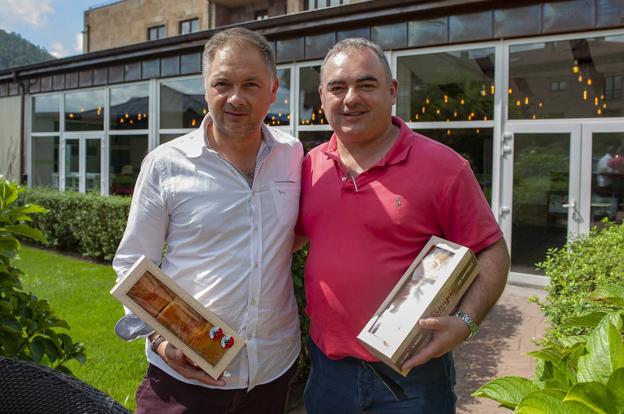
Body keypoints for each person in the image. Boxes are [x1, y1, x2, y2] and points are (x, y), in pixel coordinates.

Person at [295, 38, 510, 413]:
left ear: (392, 91)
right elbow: (286, 242)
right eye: (337, 87)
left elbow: (491, 250)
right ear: (322, 96)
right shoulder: (307, 167)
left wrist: (464, 323)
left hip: (414, 377)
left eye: (366, 85)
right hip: (328, 373)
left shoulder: (443, 167)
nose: (350, 99)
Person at [112, 27, 303, 414]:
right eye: (222, 83)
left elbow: (294, 231)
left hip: (272, 371)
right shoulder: (166, 164)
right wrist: (162, 340)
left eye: (251, 84)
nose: (235, 98)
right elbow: (133, 266)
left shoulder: (293, 154)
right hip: (184, 380)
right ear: (205, 87)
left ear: (273, 89)